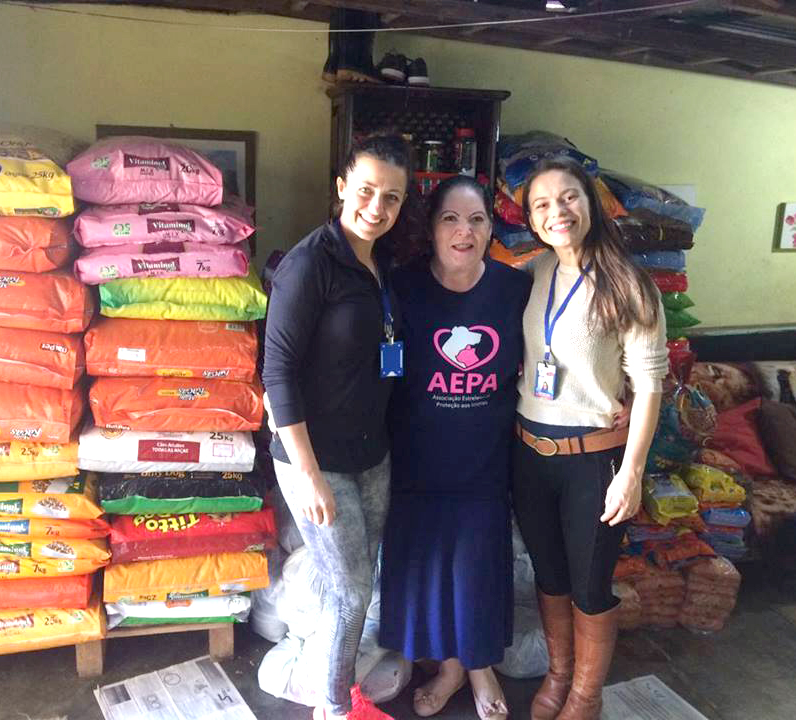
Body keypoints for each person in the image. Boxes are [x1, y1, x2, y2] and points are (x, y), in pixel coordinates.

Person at [262, 135, 415, 720]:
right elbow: (277, 372)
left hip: (371, 454)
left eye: (392, 197)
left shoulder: (380, 264)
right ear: (342, 187)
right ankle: (333, 707)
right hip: (316, 460)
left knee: (354, 586)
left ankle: (339, 691)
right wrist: (308, 477)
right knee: (351, 594)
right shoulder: (309, 264)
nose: (377, 207)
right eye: (367, 190)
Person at [514, 158, 668, 720]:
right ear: (531, 220)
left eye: (569, 197)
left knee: (590, 585)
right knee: (550, 576)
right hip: (529, 455)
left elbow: (649, 385)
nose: (557, 211)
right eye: (542, 204)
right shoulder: (532, 273)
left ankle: (586, 695)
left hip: (595, 462)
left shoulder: (630, 284)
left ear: (591, 203)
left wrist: (631, 473)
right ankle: (559, 676)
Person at [379, 175, 532, 720]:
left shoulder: (516, 289)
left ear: (491, 229)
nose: (464, 232)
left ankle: (479, 666)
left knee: (475, 571)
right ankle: (449, 668)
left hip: (484, 459)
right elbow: (378, 362)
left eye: (476, 220)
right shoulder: (402, 286)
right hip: (417, 457)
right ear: (432, 227)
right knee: (428, 571)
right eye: (451, 218)